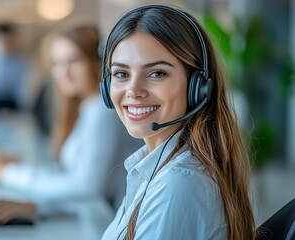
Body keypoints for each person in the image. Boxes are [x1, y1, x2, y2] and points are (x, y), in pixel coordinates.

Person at [99, 5, 255, 240]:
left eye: (156, 73)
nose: (133, 90)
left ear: (198, 87)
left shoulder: (177, 184)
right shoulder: (156, 169)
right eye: (121, 74)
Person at [0, 25, 143, 224]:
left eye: (73, 61)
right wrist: (19, 166)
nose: (63, 72)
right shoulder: (88, 109)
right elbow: (73, 175)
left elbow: (87, 187)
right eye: (56, 63)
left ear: (98, 64)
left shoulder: (104, 112)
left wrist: (5, 172)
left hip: (104, 225)